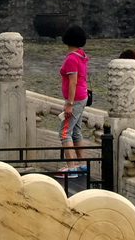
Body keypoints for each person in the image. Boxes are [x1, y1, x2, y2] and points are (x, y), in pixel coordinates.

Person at [59, 25, 90, 172]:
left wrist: (69, 104)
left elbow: (73, 82)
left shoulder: (72, 58)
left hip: (75, 98)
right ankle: (82, 163)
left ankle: (71, 167)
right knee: (76, 130)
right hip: (82, 95)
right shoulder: (81, 55)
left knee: (65, 132)